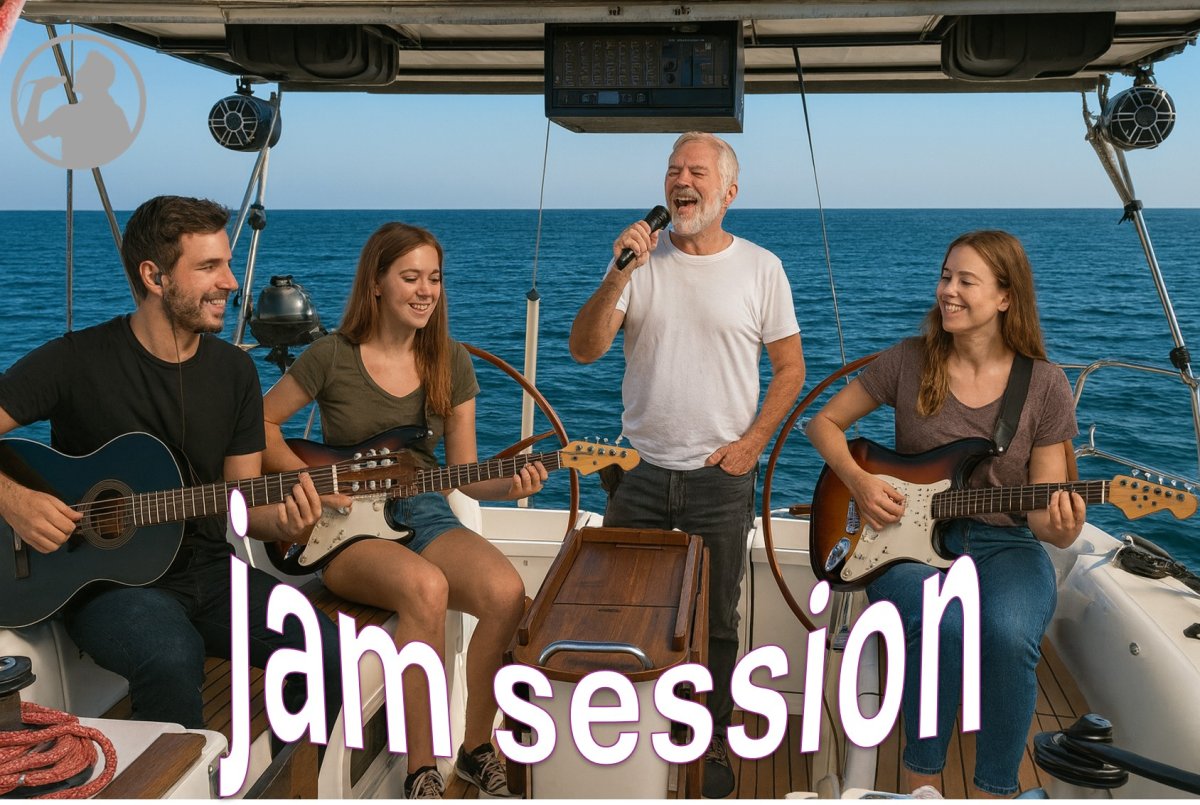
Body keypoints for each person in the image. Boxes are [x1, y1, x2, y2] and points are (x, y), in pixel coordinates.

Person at [0, 195, 343, 737]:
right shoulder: (75, 361)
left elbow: (242, 503)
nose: (231, 283)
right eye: (209, 267)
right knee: (169, 655)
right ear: (154, 276)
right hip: (105, 584)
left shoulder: (235, 373)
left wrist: (290, 524)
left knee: (325, 653)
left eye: (229, 264)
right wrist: (13, 500)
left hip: (210, 569)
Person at [262, 221, 545, 799]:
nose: (425, 291)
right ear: (376, 285)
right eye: (410, 277)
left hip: (423, 510)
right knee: (425, 590)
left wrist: (513, 484)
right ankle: (422, 770)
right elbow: (260, 424)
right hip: (342, 529)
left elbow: (465, 473)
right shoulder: (329, 356)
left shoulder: (451, 362)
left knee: (504, 593)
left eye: (434, 279)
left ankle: (475, 748)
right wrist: (309, 481)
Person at [806, 230, 1086, 798]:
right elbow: (824, 424)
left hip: (1006, 544)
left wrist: (1060, 526)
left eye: (965, 281)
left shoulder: (1046, 384)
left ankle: (994, 790)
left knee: (1008, 635)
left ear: (1006, 297)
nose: (947, 292)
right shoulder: (909, 360)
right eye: (945, 277)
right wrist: (859, 484)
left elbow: (1044, 512)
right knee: (943, 624)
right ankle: (921, 782)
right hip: (902, 543)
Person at [569, 131, 806, 798]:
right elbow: (584, 349)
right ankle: (629, 732)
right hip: (637, 472)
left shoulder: (761, 268)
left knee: (718, 620)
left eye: (698, 170)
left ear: (728, 191)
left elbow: (790, 370)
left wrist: (753, 443)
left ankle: (707, 742)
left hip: (719, 477)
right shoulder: (638, 263)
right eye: (674, 169)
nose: (683, 179)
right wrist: (618, 272)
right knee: (624, 606)